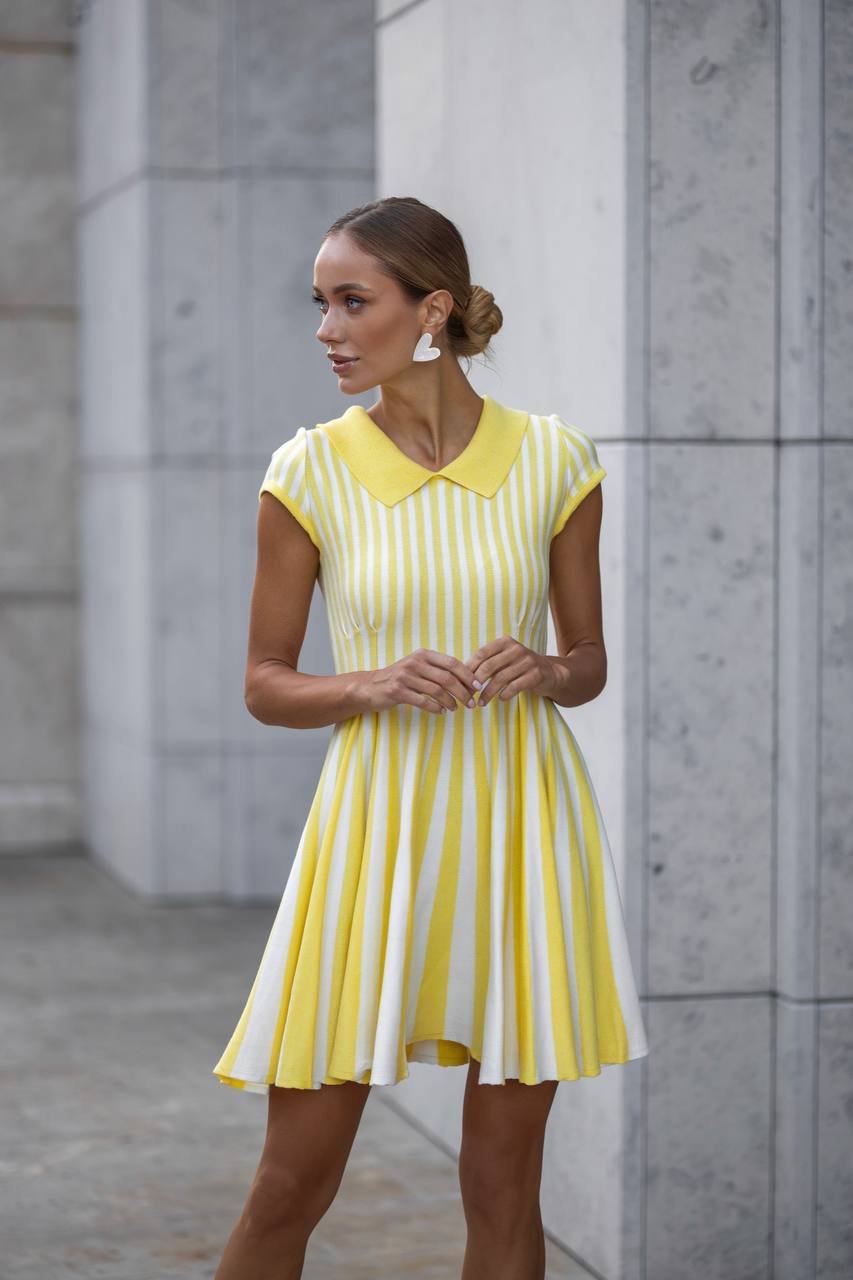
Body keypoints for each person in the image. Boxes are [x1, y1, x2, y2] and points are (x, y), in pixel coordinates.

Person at [211, 195, 649, 1280]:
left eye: (351, 301)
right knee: (286, 1188)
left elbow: (587, 664)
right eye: (320, 302)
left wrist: (546, 669)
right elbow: (264, 684)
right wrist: (372, 681)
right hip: (373, 838)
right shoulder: (306, 471)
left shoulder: (555, 459)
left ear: (432, 308)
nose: (326, 328)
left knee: (505, 1187)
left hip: (519, 830)